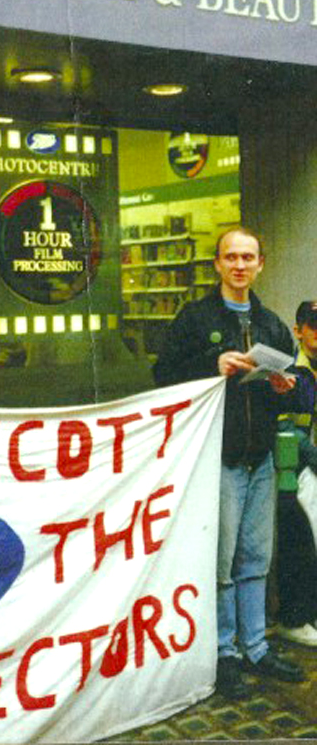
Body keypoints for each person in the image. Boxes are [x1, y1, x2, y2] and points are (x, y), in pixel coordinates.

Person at [153, 226, 306, 700]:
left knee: (257, 558)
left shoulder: (272, 323)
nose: (240, 265)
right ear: (217, 264)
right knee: (221, 562)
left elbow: (292, 388)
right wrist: (210, 365)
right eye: (231, 257)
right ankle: (225, 653)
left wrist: (286, 388)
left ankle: (257, 646)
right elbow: (162, 377)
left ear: (260, 264)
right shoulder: (195, 318)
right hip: (217, 457)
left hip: (259, 457)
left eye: (248, 257)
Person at [274, 301, 317, 646]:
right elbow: (284, 424)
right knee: (302, 546)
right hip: (300, 471)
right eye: (313, 325)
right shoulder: (289, 372)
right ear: (298, 330)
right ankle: (296, 617)